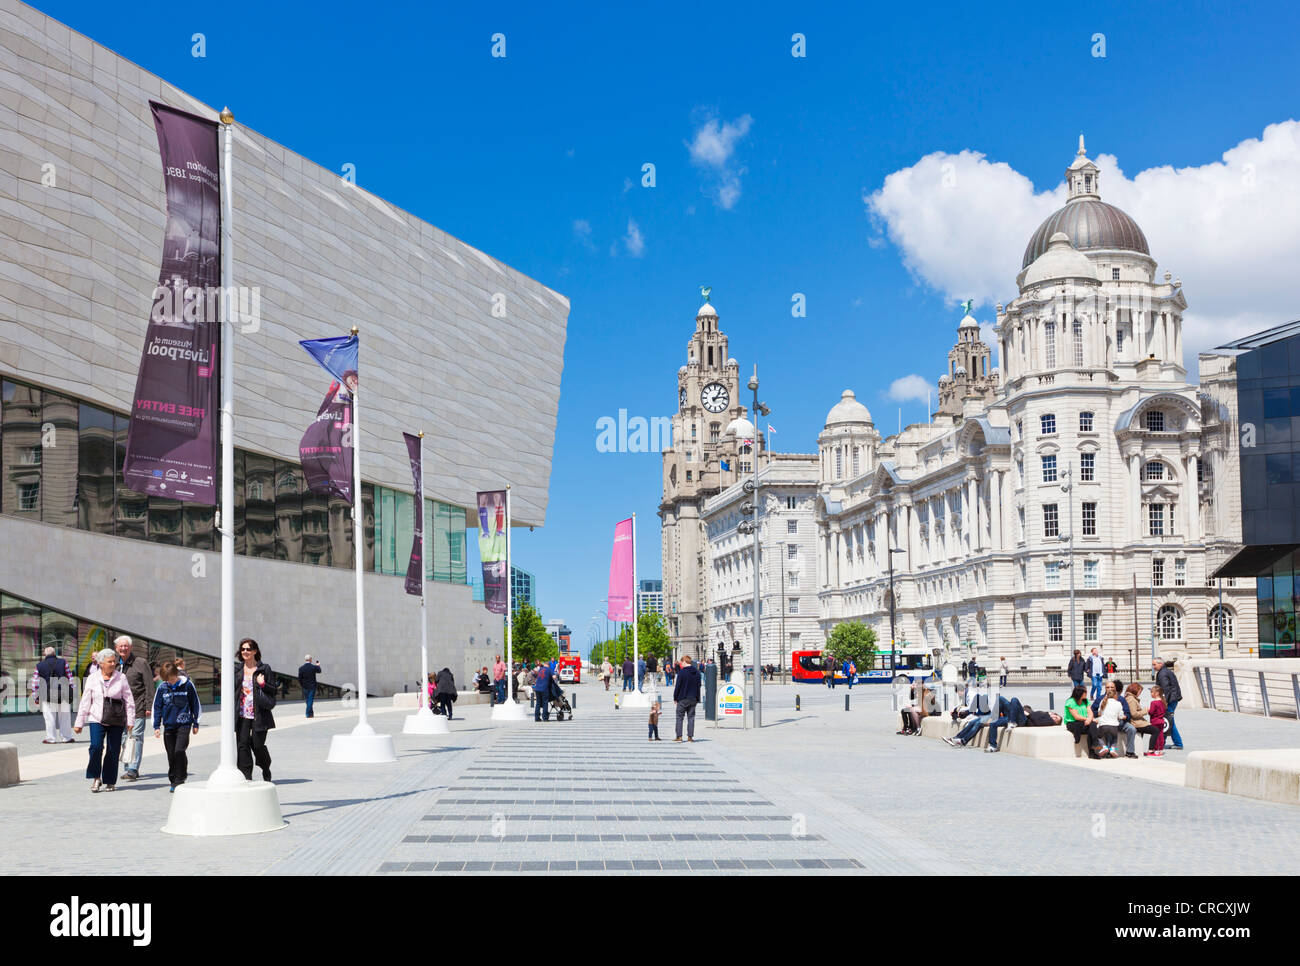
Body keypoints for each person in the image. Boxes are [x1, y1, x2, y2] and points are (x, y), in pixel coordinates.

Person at [73, 648, 135, 792]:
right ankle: (96, 777)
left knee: (113, 751)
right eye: (110, 661)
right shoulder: (93, 678)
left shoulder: (121, 677)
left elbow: (129, 700)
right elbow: (85, 701)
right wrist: (79, 723)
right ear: (101, 663)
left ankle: (110, 781)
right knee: (95, 747)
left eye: (114, 661)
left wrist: (130, 720)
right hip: (96, 718)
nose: (113, 664)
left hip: (116, 719)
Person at [152, 659, 201, 791]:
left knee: (179, 750)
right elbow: (157, 707)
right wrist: (156, 726)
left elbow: (195, 704)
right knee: (171, 753)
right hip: (168, 725)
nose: (170, 682)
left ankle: (180, 779)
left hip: (184, 724)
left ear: (176, 674)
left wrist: (196, 722)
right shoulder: (162, 688)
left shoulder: (187, 685)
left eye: (171, 679)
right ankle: (173, 778)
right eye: (167, 679)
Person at [234, 637, 276, 782]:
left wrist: (263, 684)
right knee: (242, 745)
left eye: (248, 649)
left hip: (259, 714)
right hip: (242, 714)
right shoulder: (237, 670)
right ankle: (246, 777)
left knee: (257, 745)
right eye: (243, 649)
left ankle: (265, 767)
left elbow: (273, 690)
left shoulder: (264, 669)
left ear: (255, 651)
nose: (245, 651)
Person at [113, 635, 152, 782]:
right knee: (123, 738)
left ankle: (133, 769)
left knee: (135, 737)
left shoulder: (140, 663)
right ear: (116, 648)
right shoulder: (113, 663)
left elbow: (149, 685)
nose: (123, 648)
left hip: (138, 706)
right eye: (120, 646)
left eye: (126, 646)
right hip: (118, 709)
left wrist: (149, 706)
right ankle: (128, 766)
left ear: (131, 648)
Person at [32, 646, 75, 743]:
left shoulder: (39, 665)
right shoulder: (63, 662)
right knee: (65, 717)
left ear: (45, 654)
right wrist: (72, 690)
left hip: (47, 695)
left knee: (49, 717)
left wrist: (36, 697)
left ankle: (51, 738)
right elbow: (70, 677)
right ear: (54, 653)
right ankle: (66, 737)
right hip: (63, 694)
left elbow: (35, 683)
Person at [1153, 658, 1184, 749]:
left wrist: (1163, 702)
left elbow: (1165, 689)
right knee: (1166, 720)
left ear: (1160, 664)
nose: (1153, 667)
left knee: (1169, 721)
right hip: (1173, 699)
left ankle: (1178, 743)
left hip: (1169, 701)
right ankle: (1162, 742)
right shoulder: (1166, 671)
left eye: (1154, 664)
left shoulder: (1162, 674)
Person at [1090, 682, 1125, 758]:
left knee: (1099, 736)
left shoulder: (1102, 701)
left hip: (1103, 725)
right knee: (1115, 739)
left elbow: (1099, 712)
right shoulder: (1118, 703)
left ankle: (1104, 747)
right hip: (1114, 726)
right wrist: (1123, 717)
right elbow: (1121, 716)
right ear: (1115, 695)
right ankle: (1112, 749)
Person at [672, 655, 701, 742]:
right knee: (691, 717)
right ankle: (690, 737)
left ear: (685, 662)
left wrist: (675, 697)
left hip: (683, 698)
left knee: (679, 717)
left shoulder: (682, 672)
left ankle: (679, 736)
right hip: (693, 698)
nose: (681, 664)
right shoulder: (697, 672)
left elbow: (678, 686)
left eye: (681, 662)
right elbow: (698, 685)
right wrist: (697, 698)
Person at [1063, 685, 1091, 751]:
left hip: (1084, 721)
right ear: (1080, 693)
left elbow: (1090, 712)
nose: (1087, 693)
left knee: (1092, 727)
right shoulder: (1070, 701)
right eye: (1085, 692)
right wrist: (1087, 719)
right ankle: (1077, 738)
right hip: (1072, 722)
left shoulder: (1085, 701)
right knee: (1079, 724)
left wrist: (1090, 719)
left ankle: (1093, 748)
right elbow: (1076, 717)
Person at [1145, 686, 1169, 757]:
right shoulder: (1163, 701)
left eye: (1152, 692)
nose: (1151, 693)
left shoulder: (1153, 702)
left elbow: (1151, 712)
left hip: (1155, 721)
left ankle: (1155, 750)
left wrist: (1148, 710)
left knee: (1155, 736)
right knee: (1161, 735)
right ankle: (1160, 750)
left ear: (1157, 693)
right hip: (1161, 720)